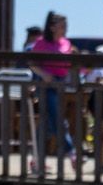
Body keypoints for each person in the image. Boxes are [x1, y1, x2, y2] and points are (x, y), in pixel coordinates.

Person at [28, 13, 76, 161]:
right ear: (52, 27)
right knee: (57, 118)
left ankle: (35, 158)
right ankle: (71, 152)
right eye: (62, 25)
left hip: (60, 84)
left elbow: (70, 64)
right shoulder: (41, 43)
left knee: (47, 123)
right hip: (45, 85)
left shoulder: (66, 43)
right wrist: (43, 74)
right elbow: (32, 63)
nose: (64, 28)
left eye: (65, 25)